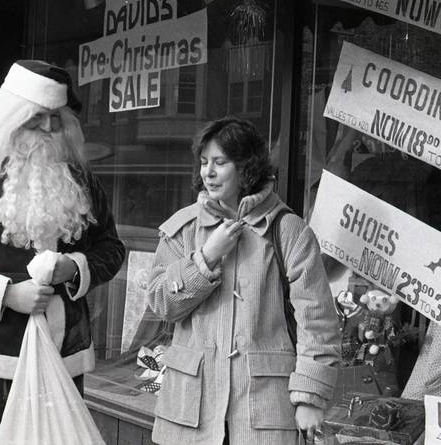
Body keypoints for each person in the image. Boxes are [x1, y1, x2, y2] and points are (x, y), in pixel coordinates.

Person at [0, 59, 126, 445]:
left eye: (57, 118)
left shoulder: (81, 180)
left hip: (64, 355)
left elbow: (111, 248)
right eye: (37, 118)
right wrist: (7, 294)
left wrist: (75, 268)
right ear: (9, 117)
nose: (49, 129)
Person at [144, 116, 341, 445]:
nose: (208, 172)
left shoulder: (288, 231)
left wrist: (309, 398)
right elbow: (161, 303)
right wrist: (206, 257)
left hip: (262, 410)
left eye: (220, 162)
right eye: (204, 162)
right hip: (189, 412)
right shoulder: (182, 229)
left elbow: (317, 321)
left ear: (246, 167)